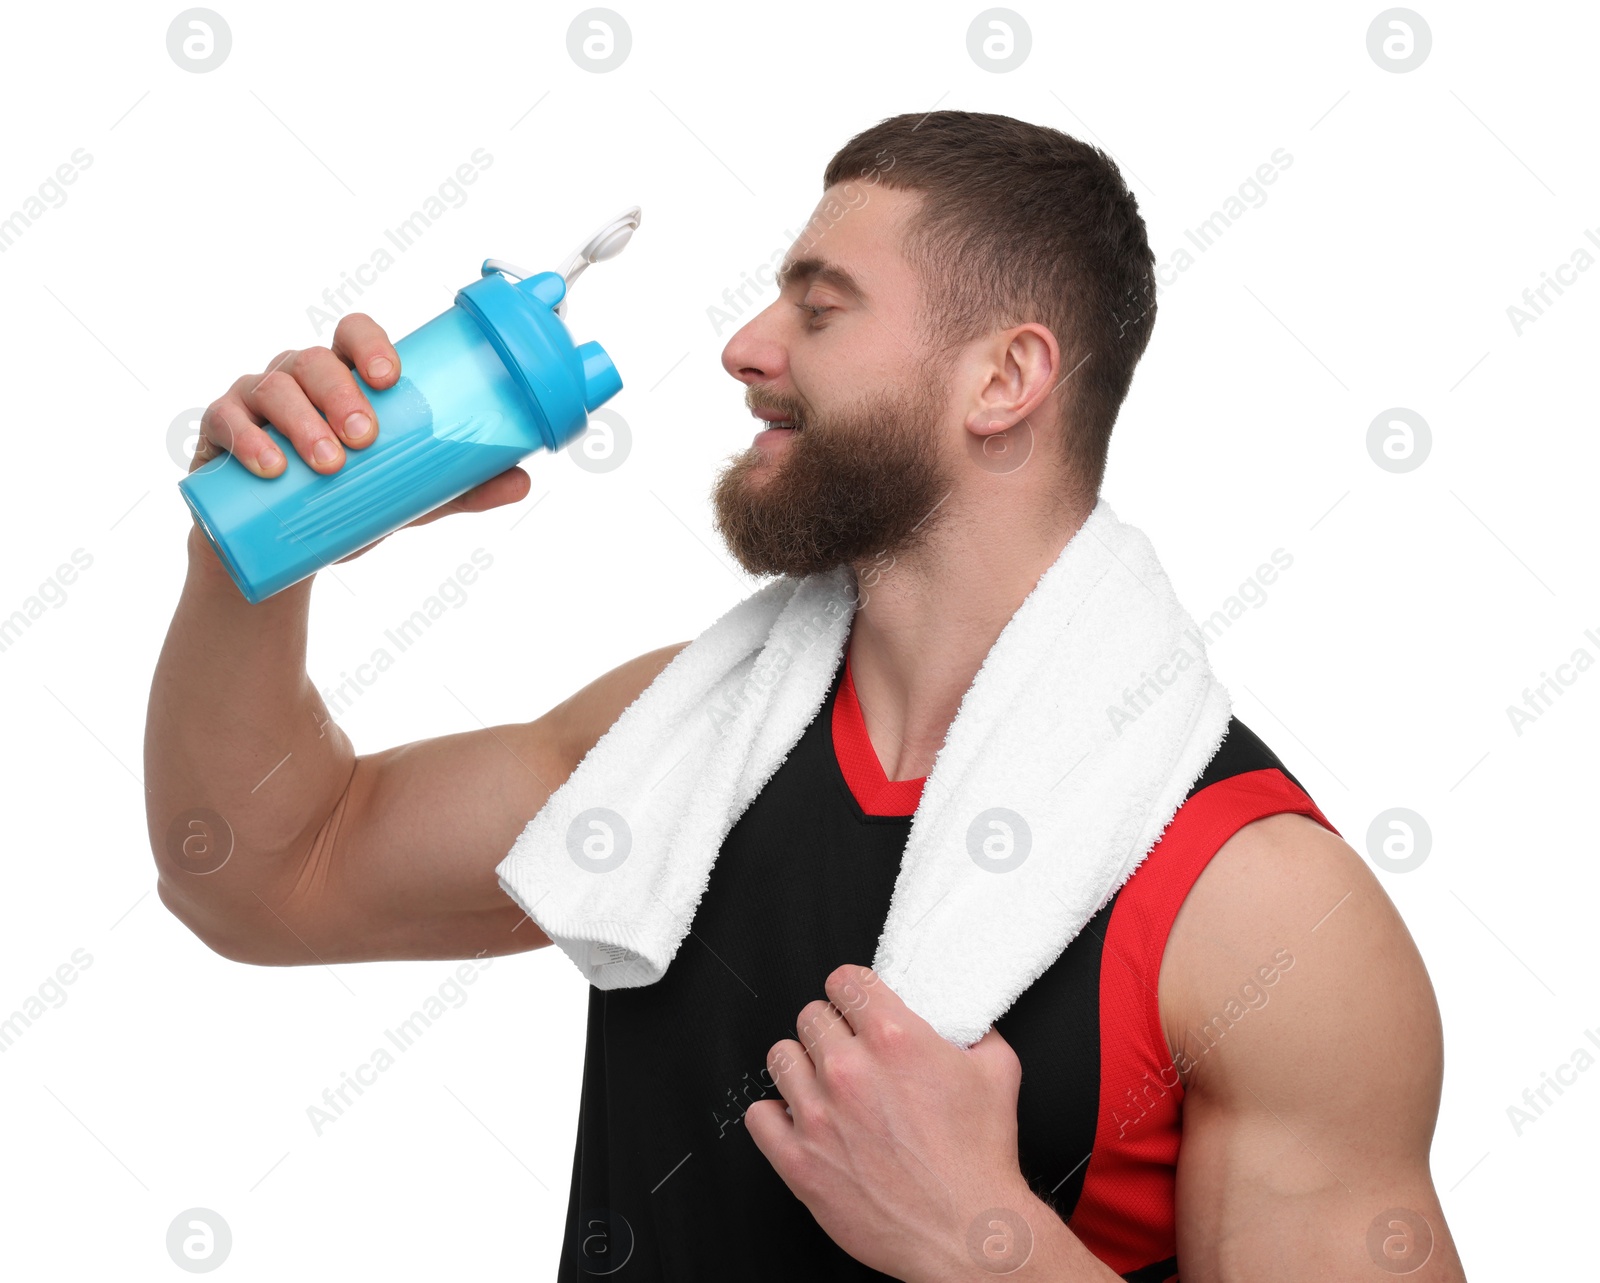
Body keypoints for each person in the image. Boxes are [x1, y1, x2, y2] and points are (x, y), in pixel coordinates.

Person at [146, 111, 1467, 1281]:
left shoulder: (1266, 911)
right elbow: (265, 876)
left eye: (821, 309)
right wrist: (253, 557)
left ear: (1004, 381)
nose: (745, 347)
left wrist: (983, 1246)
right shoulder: (677, 742)